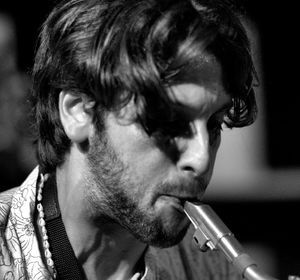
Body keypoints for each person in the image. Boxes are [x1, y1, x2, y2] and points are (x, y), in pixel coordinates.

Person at [0, 0, 257, 279]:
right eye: (169, 122)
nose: (201, 158)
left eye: (214, 125)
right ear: (78, 112)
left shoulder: (215, 270)